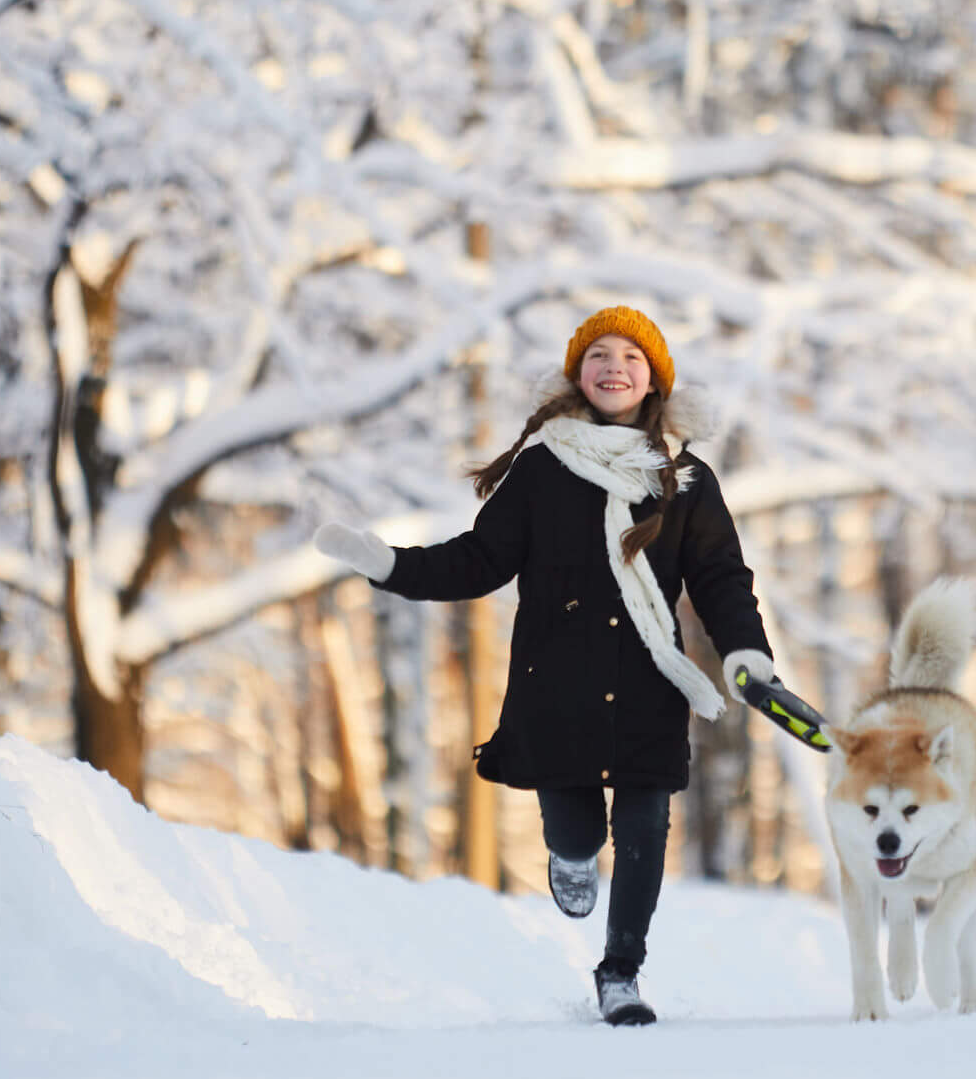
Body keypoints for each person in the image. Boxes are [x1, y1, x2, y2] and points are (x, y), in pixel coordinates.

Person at [312, 306, 778, 1026]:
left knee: (646, 825)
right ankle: (571, 854)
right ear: (577, 375)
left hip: (649, 681)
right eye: (598, 355)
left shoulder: (686, 478)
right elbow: (479, 561)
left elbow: (720, 577)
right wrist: (391, 566)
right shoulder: (541, 468)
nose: (614, 367)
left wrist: (746, 650)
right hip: (556, 686)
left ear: (655, 379)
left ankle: (620, 971)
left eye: (631, 356)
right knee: (576, 830)